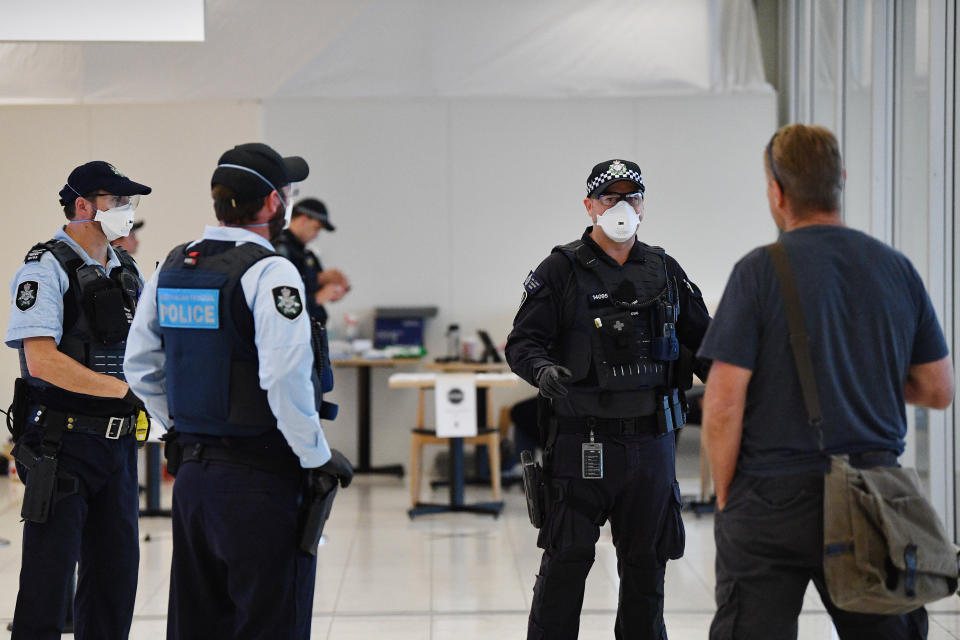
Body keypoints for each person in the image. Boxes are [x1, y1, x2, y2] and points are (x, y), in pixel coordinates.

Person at [700, 124, 955, 640]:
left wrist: (728, 498)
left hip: (771, 497)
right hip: (872, 494)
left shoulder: (757, 272)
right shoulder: (895, 269)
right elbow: (937, 389)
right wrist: (865, 377)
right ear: (841, 180)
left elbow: (724, 404)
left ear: (778, 191)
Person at [123, 142, 353, 639]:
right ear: (273, 203)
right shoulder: (270, 272)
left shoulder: (173, 266)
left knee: (199, 623)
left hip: (193, 482)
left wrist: (182, 426)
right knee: (270, 622)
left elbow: (139, 366)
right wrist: (314, 456)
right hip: (260, 481)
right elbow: (285, 375)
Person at [505, 159, 711, 639]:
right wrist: (542, 370)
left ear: (643, 205)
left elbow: (707, 349)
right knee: (565, 564)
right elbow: (522, 343)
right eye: (609, 197)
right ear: (589, 205)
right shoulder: (561, 269)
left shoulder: (664, 270)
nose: (621, 207)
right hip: (582, 445)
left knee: (646, 568)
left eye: (631, 197)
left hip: (652, 446)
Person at [5, 161, 150, 639]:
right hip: (61, 445)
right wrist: (125, 392)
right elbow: (43, 361)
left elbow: (147, 347)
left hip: (119, 447)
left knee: (114, 579)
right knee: (48, 584)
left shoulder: (126, 269)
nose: (127, 210)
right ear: (83, 206)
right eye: (117, 201)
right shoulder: (44, 268)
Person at [272, 198, 350, 326]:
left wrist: (331, 286)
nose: (316, 235)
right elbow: (280, 299)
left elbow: (312, 286)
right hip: (294, 330)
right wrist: (317, 298)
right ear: (303, 220)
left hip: (313, 329)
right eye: (316, 228)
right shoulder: (280, 249)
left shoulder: (307, 254)